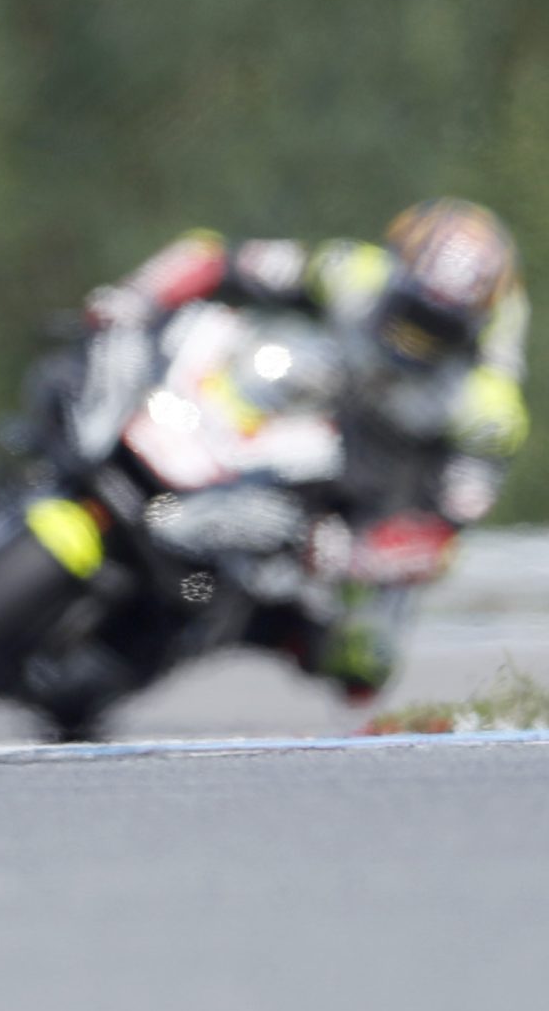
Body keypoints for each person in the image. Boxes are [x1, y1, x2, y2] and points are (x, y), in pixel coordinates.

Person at [83, 199, 530, 698]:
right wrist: (140, 295)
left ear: (476, 328)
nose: (415, 338)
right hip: (291, 424)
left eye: (440, 328)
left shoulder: (485, 411)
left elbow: (445, 528)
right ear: (397, 275)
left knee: (362, 662)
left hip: (359, 514)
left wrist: (367, 552)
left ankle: (242, 627)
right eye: (413, 312)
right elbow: (221, 259)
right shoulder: (351, 272)